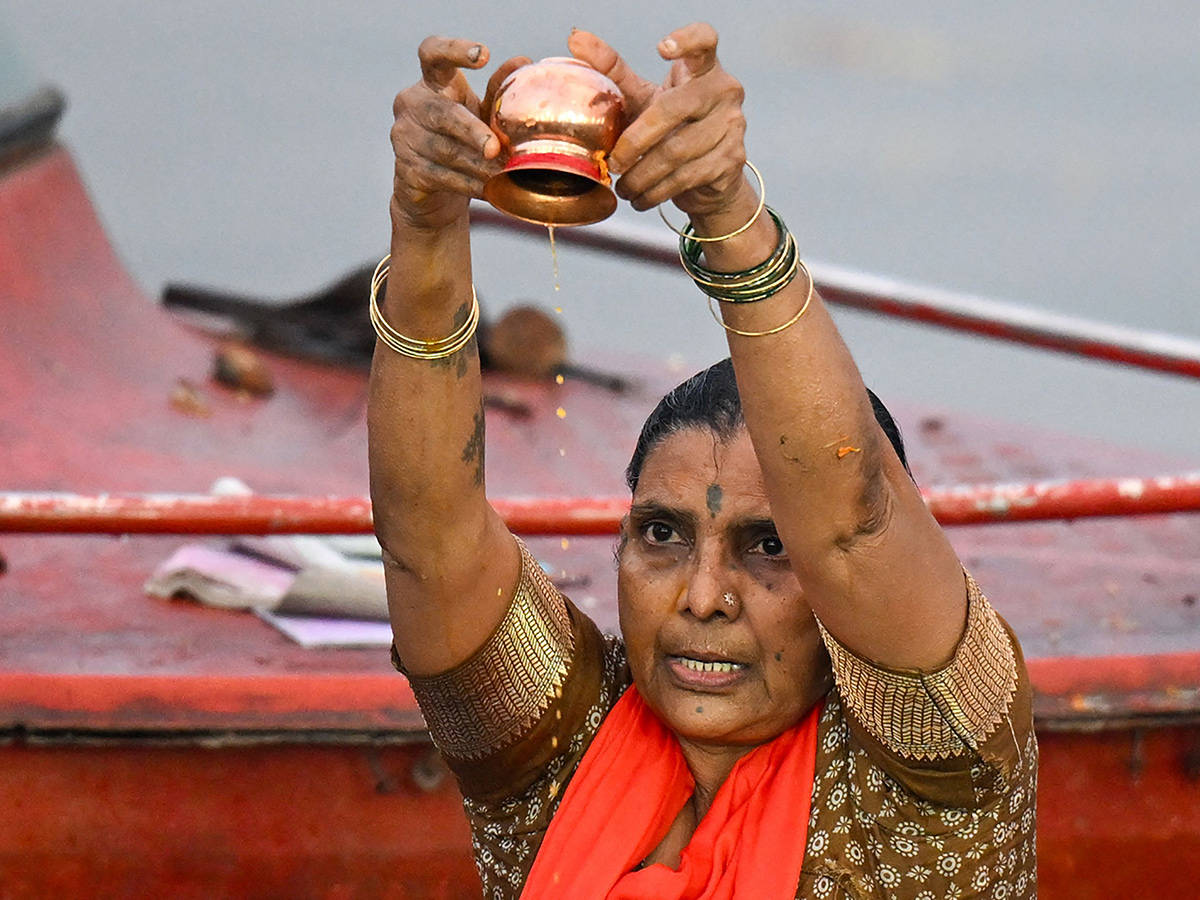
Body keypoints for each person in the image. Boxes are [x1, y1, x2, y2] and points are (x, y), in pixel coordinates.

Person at [368, 23, 1036, 900]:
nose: (702, 598)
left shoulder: (933, 775)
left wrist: (725, 209)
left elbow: (850, 520)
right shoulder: (556, 752)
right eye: (661, 534)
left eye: (769, 549)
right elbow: (429, 537)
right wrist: (424, 223)